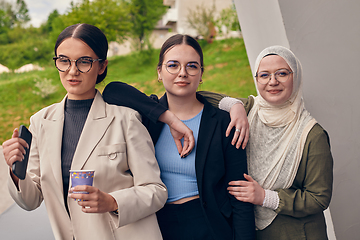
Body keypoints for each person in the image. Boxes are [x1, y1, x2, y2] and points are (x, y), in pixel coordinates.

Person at [2, 23, 169, 240]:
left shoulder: (125, 119)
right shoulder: (41, 122)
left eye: (84, 62)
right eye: (64, 61)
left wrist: (113, 202)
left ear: (102, 66)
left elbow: (156, 191)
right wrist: (16, 171)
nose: (72, 71)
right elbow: (30, 199)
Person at [103, 34, 255, 240]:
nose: (182, 73)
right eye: (173, 65)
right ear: (159, 72)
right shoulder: (148, 118)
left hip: (209, 226)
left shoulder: (224, 123)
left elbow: (240, 196)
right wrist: (169, 119)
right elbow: (111, 91)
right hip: (156, 225)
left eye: (192, 66)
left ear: (201, 74)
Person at [201, 45, 333, 239]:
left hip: (296, 233)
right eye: (264, 75)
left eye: (282, 73)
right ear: (256, 79)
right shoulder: (249, 110)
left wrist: (265, 197)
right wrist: (235, 105)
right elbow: (199, 96)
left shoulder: (312, 134)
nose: (273, 82)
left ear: (295, 76)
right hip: (250, 230)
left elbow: (318, 198)